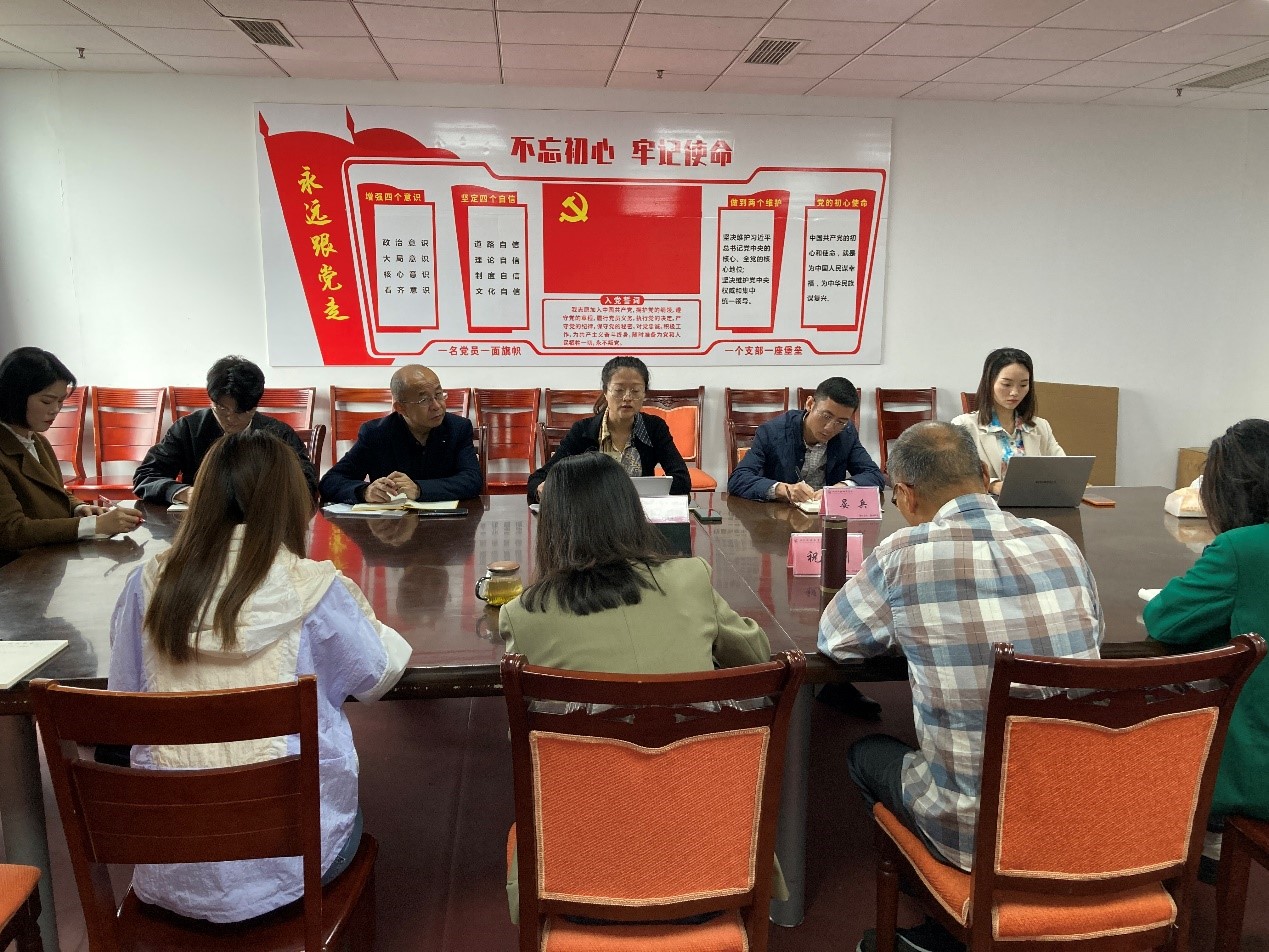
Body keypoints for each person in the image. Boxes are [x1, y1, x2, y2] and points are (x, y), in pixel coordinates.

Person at [818, 422, 1101, 952]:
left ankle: (946, 922)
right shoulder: (1058, 542)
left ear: (905, 494)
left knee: (862, 754)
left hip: (975, 828)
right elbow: (1094, 635)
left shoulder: (904, 553)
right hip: (1080, 806)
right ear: (986, 473)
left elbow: (835, 642)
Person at [108, 429, 411, 923]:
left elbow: (122, 700)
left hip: (172, 862)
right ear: (292, 504)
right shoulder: (313, 588)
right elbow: (375, 676)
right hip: (293, 864)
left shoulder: (147, 585)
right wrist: (369, 622)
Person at [500, 452, 775, 922]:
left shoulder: (524, 614)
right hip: (714, 866)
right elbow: (756, 657)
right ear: (632, 512)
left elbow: (523, 737)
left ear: (552, 527)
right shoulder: (688, 578)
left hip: (578, 880)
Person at [1143, 419, 1269, 881]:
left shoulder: (1241, 549)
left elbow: (1166, 620)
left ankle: (1185, 836)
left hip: (1255, 768)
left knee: (1137, 709)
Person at [0, 346, 141, 557]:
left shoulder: (37, 440)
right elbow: (11, 530)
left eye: (60, 401)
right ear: (15, 396)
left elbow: (54, 489)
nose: (55, 409)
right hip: (15, 567)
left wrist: (78, 508)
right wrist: (93, 526)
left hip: (48, 556)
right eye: (47, 401)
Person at [133, 355, 318, 503]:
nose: (231, 419)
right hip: (203, 525)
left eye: (242, 411)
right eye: (222, 409)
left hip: (260, 524)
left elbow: (307, 483)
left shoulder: (279, 434)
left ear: (255, 405)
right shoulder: (188, 429)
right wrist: (184, 493)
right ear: (211, 400)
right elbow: (146, 476)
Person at [525, 356, 689, 503]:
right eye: (618, 390)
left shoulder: (654, 428)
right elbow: (538, 479)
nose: (627, 397)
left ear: (644, 394)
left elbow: (681, 478)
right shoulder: (583, 431)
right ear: (605, 392)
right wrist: (541, 489)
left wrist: (656, 491)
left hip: (640, 516)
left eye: (635, 391)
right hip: (593, 517)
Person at [319, 364, 481, 504]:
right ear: (401, 408)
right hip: (392, 526)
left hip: (448, 524)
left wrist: (419, 489)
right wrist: (365, 492)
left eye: (439, 395)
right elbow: (330, 482)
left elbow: (472, 480)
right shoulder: (376, 434)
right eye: (424, 400)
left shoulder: (458, 428)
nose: (437, 406)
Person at [727, 376, 884, 504]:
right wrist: (783, 490)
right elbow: (738, 479)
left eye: (840, 422)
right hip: (780, 518)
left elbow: (874, 475)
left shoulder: (847, 433)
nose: (830, 427)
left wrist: (843, 487)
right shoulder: (772, 431)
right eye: (826, 416)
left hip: (826, 518)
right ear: (810, 404)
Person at [951, 347, 1064, 495]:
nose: (1015, 392)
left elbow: (1063, 469)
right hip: (988, 505)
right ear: (989, 382)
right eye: (1006, 384)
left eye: (1023, 385)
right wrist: (992, 485)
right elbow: (956, 475)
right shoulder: (964, 426)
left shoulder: (1041, 426)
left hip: (1037, 503)